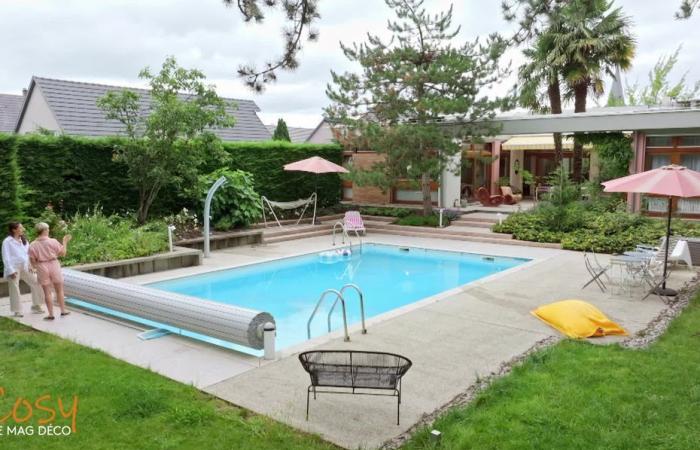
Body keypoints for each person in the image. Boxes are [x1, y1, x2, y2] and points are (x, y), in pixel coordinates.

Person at [28, 222, 72, 320]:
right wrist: (64, 241)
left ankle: (51, 314)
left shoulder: (33, 245)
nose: (48, 230)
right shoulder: (53, 241)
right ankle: (63, 311)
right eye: (47, 229)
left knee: (47, 292)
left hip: (41, 266)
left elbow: (32, 261)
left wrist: (38, 265)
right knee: (59, 290)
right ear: (44, 230)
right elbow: (63, 253)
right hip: (53, 264)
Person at [2, 222, 45, 317]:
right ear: (14, 229)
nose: (23, 229)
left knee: (36, 281)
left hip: (25, 266)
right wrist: (11, 270)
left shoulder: (24, 240)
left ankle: (36, 305)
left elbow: (28, 254)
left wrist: (31, 266)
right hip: (13, 268)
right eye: (20, 228)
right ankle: (17, 310)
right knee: (15, 288)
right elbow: (6, 257)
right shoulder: (7, 242)